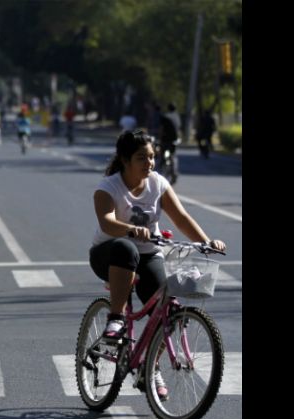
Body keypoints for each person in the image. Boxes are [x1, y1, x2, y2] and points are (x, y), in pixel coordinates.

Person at [89, 130, 226, 399]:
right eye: (142, 158)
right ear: (125, 160)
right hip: (109, 253)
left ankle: (149, 367)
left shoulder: (158, 184)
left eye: (152, 157)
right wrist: (130, 229)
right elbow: (106, 222)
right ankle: (115, 319)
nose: (150, 163)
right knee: (126, 248)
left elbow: (181, 218)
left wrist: (207, 242)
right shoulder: (108, 187)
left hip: (149, 255)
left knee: (168, 307)